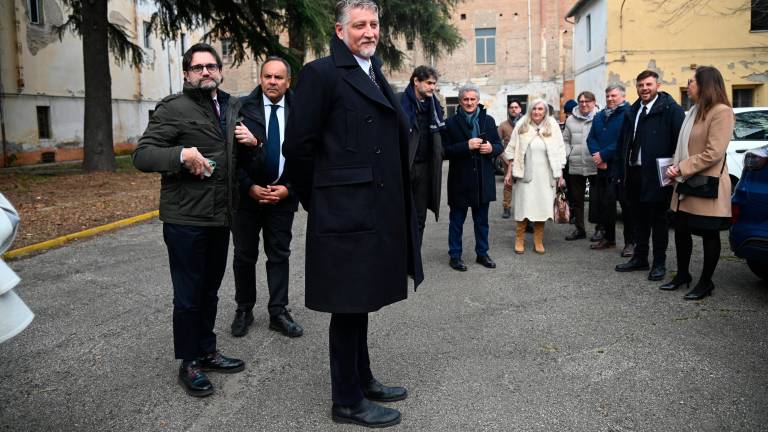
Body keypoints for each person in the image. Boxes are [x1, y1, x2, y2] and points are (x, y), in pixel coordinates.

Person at [282, 1, 424, 428]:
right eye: (359, 25)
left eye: (374, 24)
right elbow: (298, 147)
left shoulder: (373, 71)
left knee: (360, 302)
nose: (369, 32)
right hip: (344, 213)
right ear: (340, 30)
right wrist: (320, 202)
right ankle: (345, 400)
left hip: (373, 211)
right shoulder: (321, 74)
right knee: (347, 307)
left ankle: (362, 379)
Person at [133, 43, 248, 397]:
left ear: (220, 71)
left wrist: (250, 142)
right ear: (186, 74)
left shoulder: (229, 106)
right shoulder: (173, 108)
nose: (205, 72)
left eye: (211, 66)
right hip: (185, 219)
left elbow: (230, 156)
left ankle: (207, 349)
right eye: (197, 67)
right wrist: (180, 154)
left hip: (220, 216)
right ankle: (189, 362)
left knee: (210, 291)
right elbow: (142, 155)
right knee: (188, 295)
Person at [229, 57, 303, 339]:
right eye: (268, 76)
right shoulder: (241, 109)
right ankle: (244, 309)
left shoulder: (300, 110)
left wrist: (289, 188)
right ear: (260, 78)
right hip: (247, 198)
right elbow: (232, 157)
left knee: (279, 255)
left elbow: (307, 155)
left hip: (282, 196)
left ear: (288, 81)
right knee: (244, 256)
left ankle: (278, 311)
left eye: (279, 77)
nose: (273, 82)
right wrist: (248, 186)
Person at [662, 66, 735, 300]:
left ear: (706, 84)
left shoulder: (721, 112)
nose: (688, 85)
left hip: (707, 185)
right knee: (681, 231)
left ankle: (706, 282)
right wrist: (674, 170)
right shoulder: (693, 112)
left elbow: (714, 152)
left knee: (709, 234)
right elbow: (682, 146)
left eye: (692, 81)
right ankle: (682, 275)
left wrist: (681, 168)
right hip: (685, 183)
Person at [615, 70, 685, 281]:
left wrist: (676, 169)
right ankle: (640, 258)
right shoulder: (633, 110)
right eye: (641, 85)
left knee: (659, 221)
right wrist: (621, 171)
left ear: (658, 85)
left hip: (658, 175)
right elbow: (624, 142)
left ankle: (659, 263)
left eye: (648, 84)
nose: (644, 88)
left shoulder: (671, 110)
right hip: (634, 173)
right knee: (638, 219)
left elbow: (680, 144)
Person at [443, 84, 504, 270]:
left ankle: (482, 254)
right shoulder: (450, 123)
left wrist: (492, 149)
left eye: (473, 99)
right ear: (460, 102)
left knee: (482, 222)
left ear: (478, 101)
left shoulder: (488, 120)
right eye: (465, 99)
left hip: (482, 180)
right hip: (460, 180)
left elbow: (499, 146)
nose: (469, 102)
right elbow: (444, 152)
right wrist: (466, 145)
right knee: (456, 222)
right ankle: (455, 256)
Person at [503, 98, 566, 254]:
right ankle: (519, 239)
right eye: (534, 109)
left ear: (545, 111)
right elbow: (511, 150)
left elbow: (560, 150)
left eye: (540, 109)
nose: (537, 112)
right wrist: (510, 172)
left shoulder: (552, 126)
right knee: (524, 206)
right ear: (530, 110)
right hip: (526, 175)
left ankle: (538, 240)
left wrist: (560, 174)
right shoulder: (522, 125)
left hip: (546, 176)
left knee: (542, 208)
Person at [398, 65, 446, 246]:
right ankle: (400, 260)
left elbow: (442, 136)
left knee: (420, 217)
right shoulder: (399, 102)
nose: (432, 87)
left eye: (434, 83)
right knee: (400, 215)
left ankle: (414, 261)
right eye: (428, 83)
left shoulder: (435, 108)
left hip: (425, 168)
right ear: (416, 81)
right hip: (403, 167)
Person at [585, 85, 630, 252]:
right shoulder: (599, 116)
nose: (610, 98)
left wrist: (603, 155)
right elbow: (591, 138)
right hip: (602, 168)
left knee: (626, 208)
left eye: (614, 96)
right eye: (608, 96)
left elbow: (623, 140)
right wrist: (597, 156)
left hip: (620, 168)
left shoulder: (628, 114)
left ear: (622, 97)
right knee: (606, 205)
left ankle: (630, 243)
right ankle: (609, 239)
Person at [563, 92, 599, 240]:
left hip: (596, 164)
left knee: (597, 199)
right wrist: (568, 153)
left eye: (587, 101)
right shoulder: (571, 119)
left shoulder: (601, 117)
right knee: (576, 199)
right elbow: (565, 139)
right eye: (581, 101)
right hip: (575, 163)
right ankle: (579, 229)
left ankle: (600, 229)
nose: (584, 104)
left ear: (594, 102)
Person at [498, 100, 524, 219]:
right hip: (507, 160)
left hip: (524, 160)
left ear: (520, 109)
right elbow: (498, 143)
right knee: (508, 184)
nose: (514, 109)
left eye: (516, 107)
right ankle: (507, 207)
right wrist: (505, 158)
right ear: (508, 110)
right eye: (511, 107)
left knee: (523, 184)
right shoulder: (503, 125)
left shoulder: (526, 124)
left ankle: (523, 208)